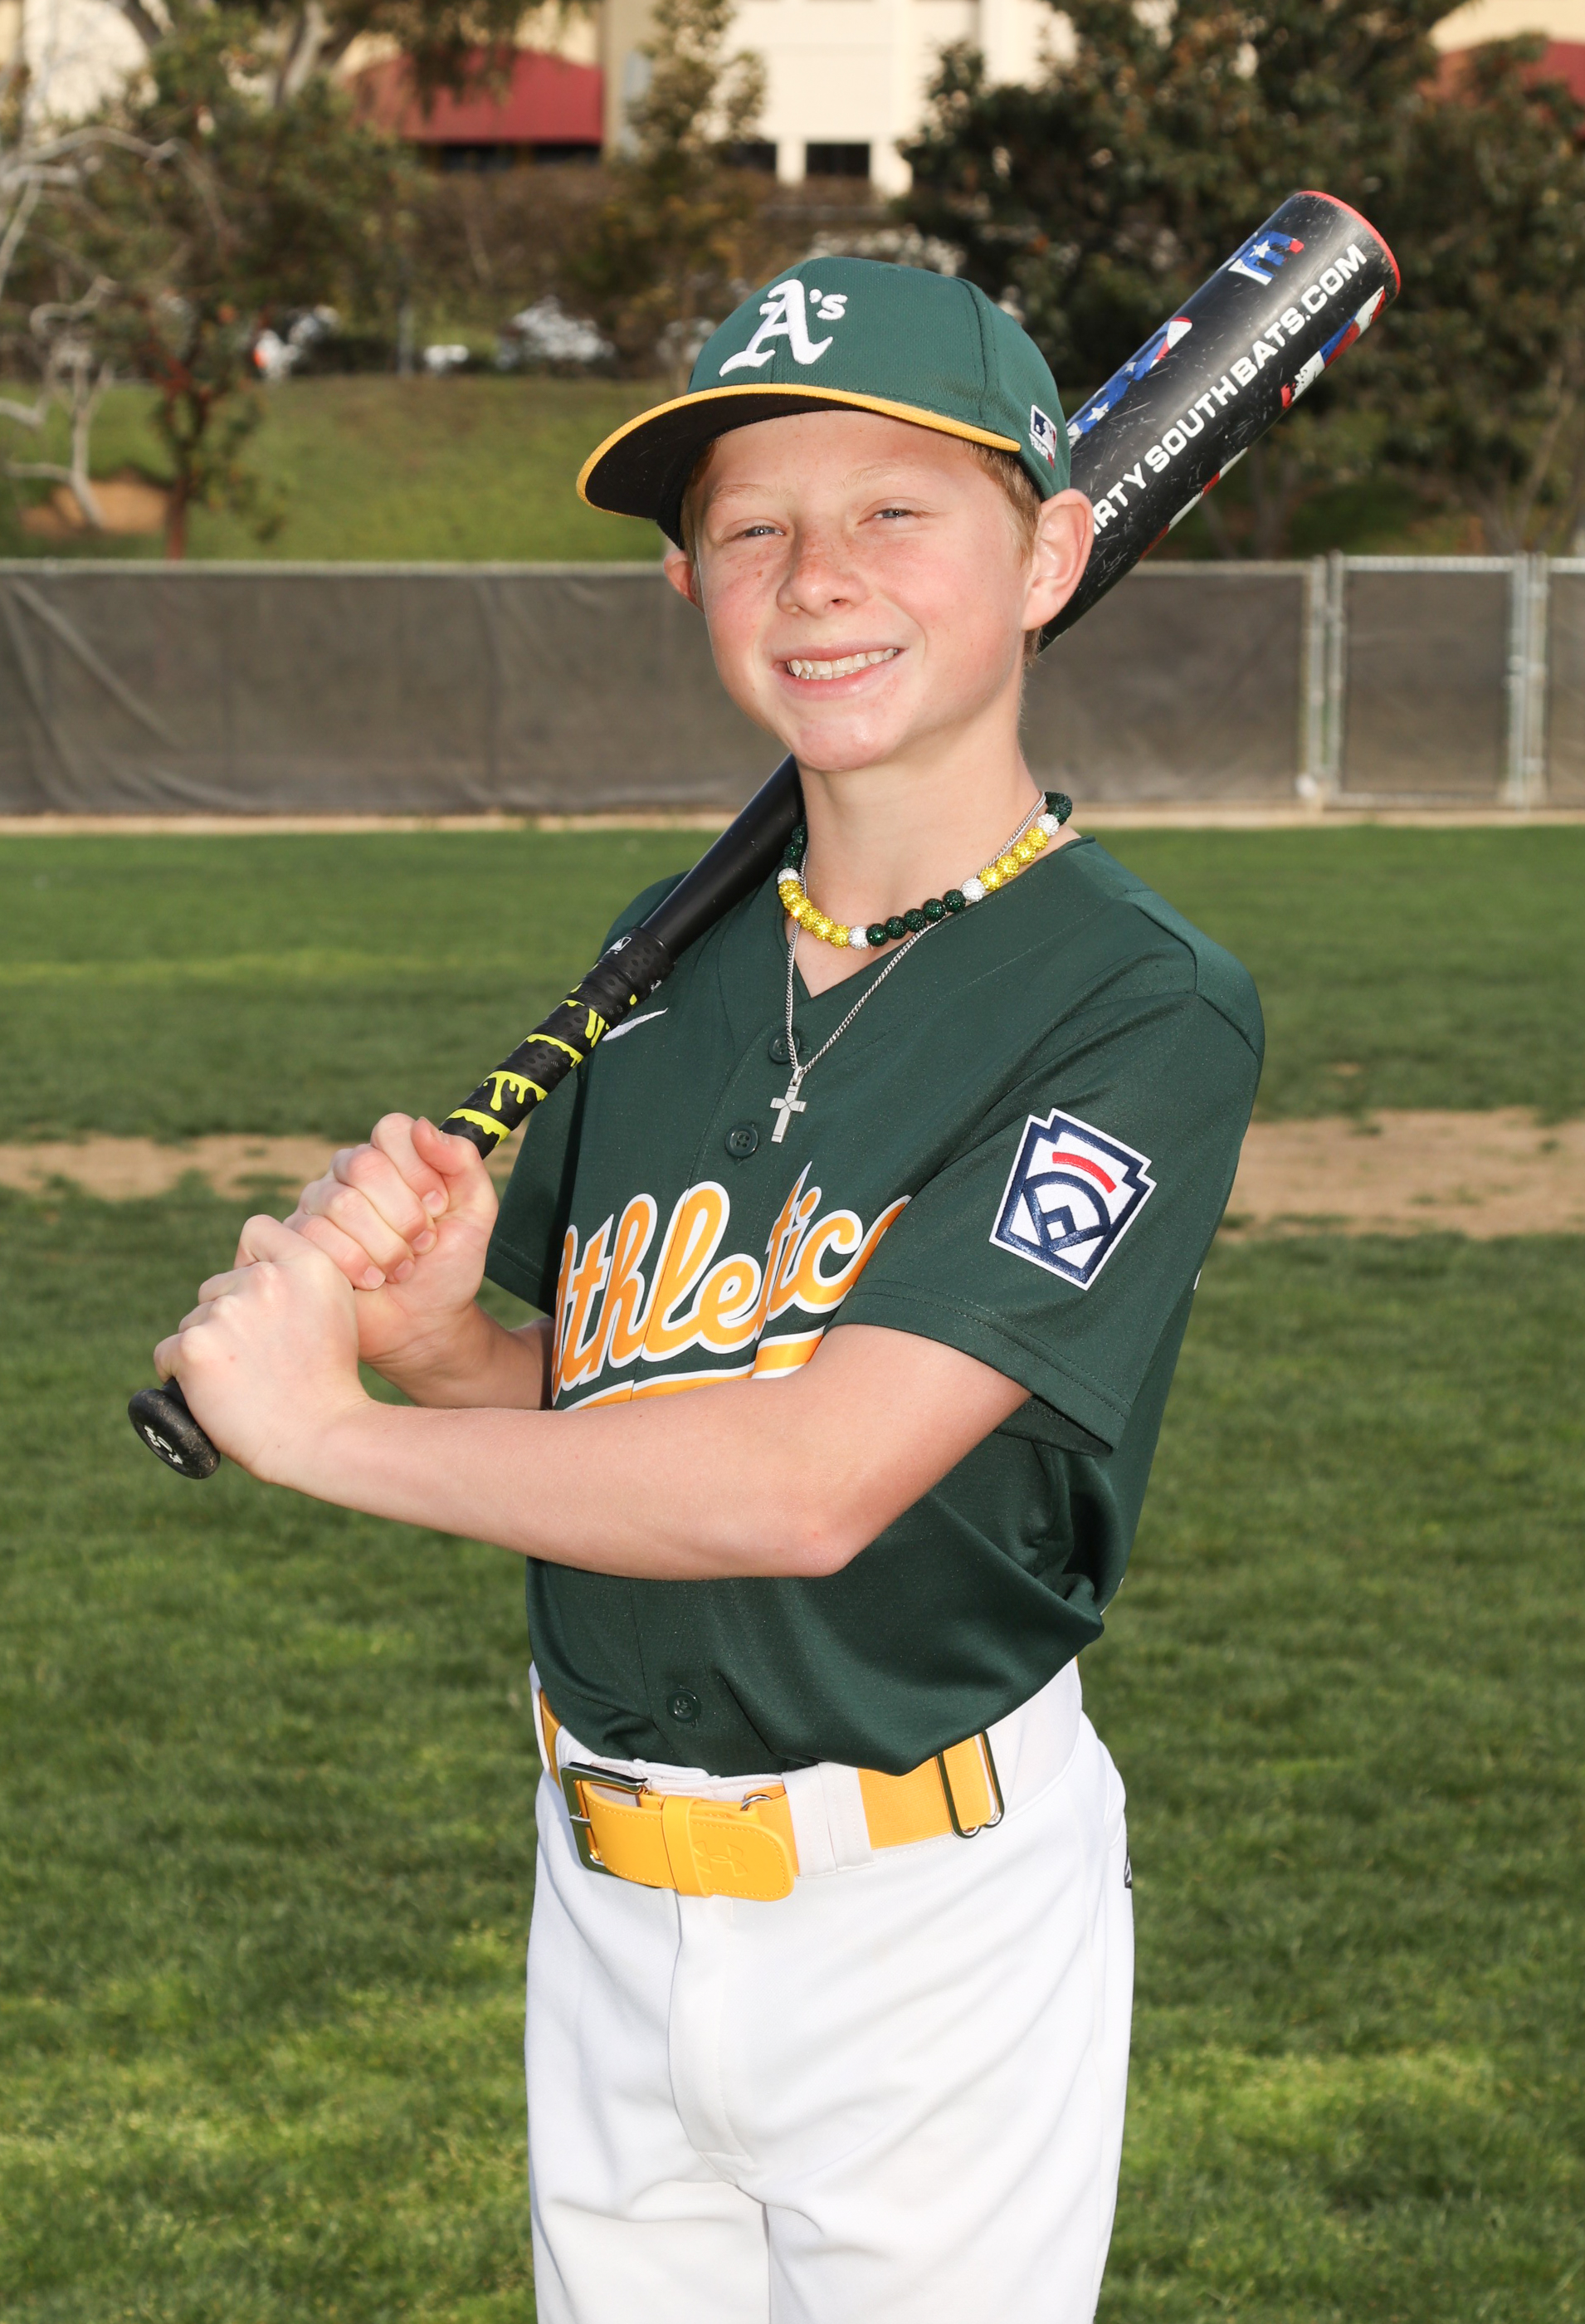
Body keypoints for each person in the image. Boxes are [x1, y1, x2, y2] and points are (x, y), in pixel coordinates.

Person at [156, 258, 1263, 2323]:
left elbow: (806, 1482)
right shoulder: (661, 960)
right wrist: (447, 1346)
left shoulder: (1136, 1003)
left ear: (1051, 554)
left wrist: (325, 1428)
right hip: (605, 1883)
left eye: (893, 511)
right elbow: (617, 1404)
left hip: (921, 1919)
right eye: (750, 528)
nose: (816, 575)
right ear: (689, 587)